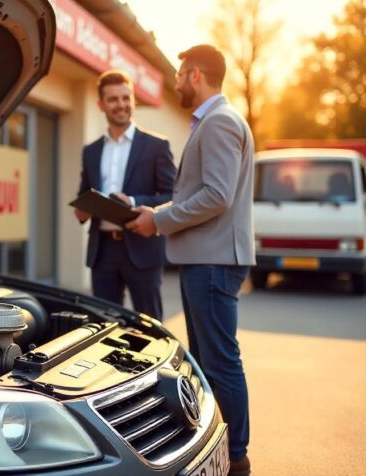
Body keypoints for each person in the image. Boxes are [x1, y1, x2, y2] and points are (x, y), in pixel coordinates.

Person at [126, 45, 254, 476]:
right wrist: (157, 215)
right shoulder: (217, 121)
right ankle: (222, 449)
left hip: (213, 262)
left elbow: (217, 196)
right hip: (207, 258)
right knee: (209, 360)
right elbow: (203, 194)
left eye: (180, 75)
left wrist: (159, 221)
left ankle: (236, 458)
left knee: (219, 362)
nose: (176, 82)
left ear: (196, 75)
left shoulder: (218, 122)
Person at [74, 70, 176, 319]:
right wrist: (82, 208)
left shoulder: (156, 146)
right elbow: (84, 193)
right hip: (103, 250)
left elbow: (173, 195)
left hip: (143, 248)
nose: (121, 105)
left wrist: (133, 201)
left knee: (149, 323)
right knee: (104, 325)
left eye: (125, 98)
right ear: (101, 105)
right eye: (113, 99)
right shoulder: (91, 151)